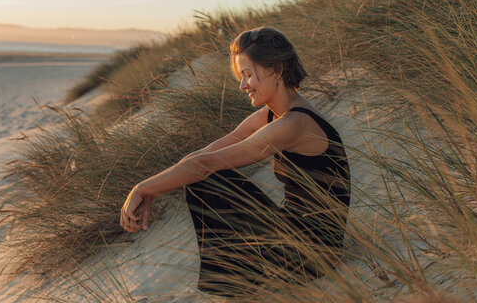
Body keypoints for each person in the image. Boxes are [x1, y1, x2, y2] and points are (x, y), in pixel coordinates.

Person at [120, 26, 351, 298]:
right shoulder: (274, 114)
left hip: (313, 255)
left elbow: (205, 167)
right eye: (241, 76)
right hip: (300, 239)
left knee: (207, 178)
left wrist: (143, 189)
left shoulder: (294, 123)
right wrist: (151, 188)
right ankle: (238, 282)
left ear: (276, 70)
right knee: (200, 176)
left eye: (248, 75)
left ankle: (237, 288)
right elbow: (202, 155)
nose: (243, 85)